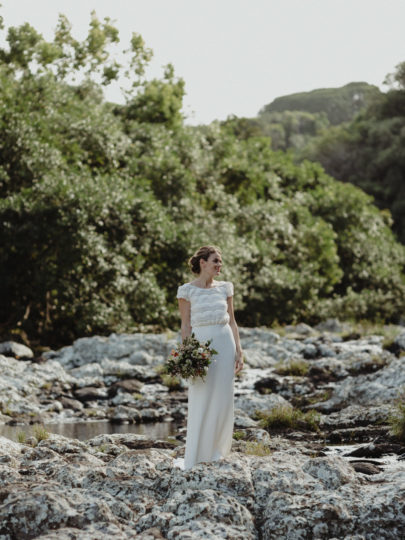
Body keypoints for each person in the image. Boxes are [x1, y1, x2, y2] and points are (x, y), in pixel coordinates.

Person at [176, 245, 243, 470]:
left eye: (220, 262)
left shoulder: (225, 288)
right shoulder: (186, 291)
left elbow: (232, 321)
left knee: (223, 397)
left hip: (225, 343)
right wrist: (187, 354)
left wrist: (239, 352)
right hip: (200, 345)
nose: (219, 265)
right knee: (201, 395)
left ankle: (218, 451)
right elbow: (185, 325)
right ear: (202, 263)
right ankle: (197, 454)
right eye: (215, 261)